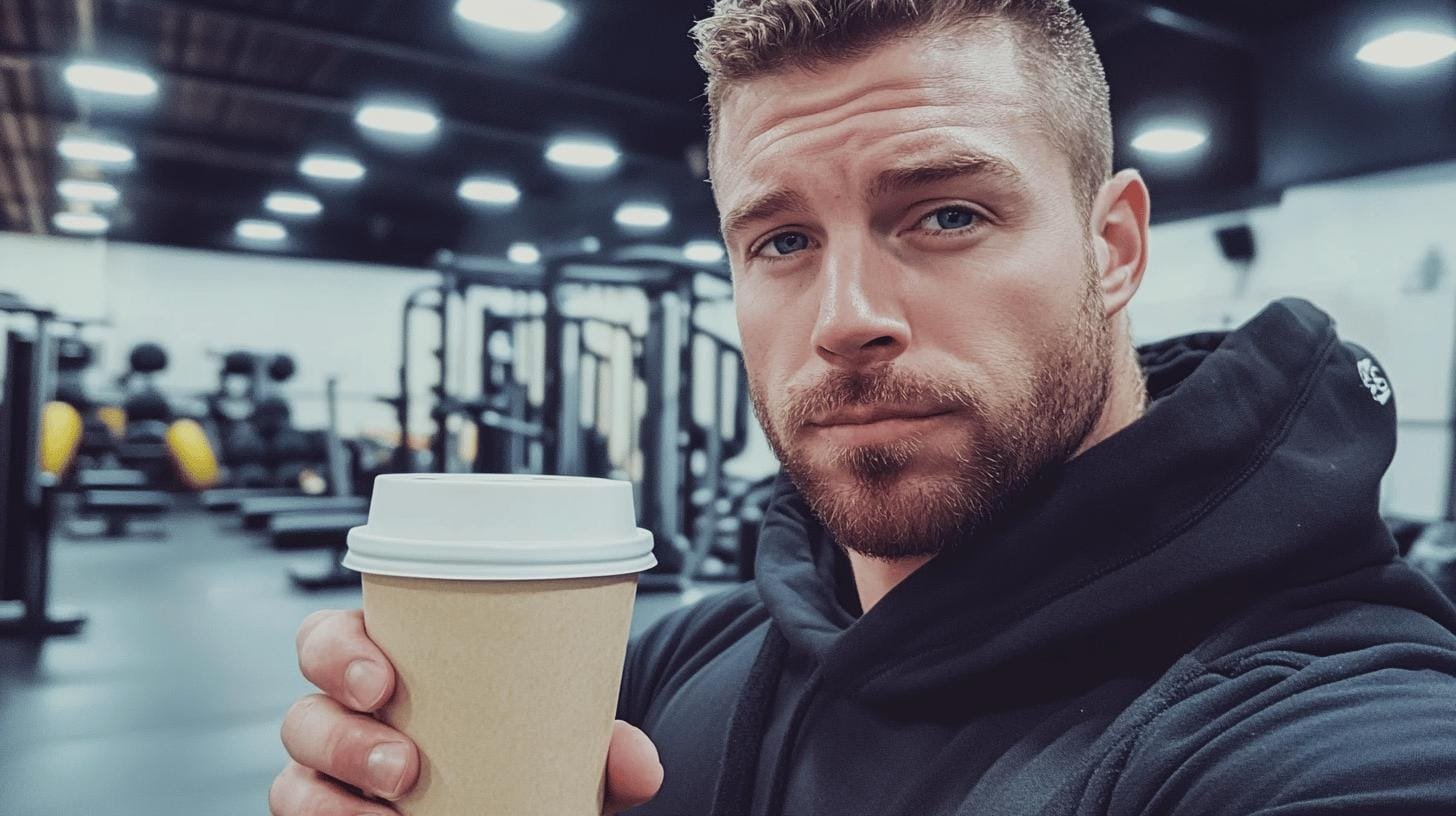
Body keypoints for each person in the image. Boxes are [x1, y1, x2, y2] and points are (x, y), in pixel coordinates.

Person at [269, 1, 1456, 814]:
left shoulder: (1308, 718)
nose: (845, 316)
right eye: (780, 239)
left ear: (1114, 247)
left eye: (944, 214)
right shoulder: (676, 670)